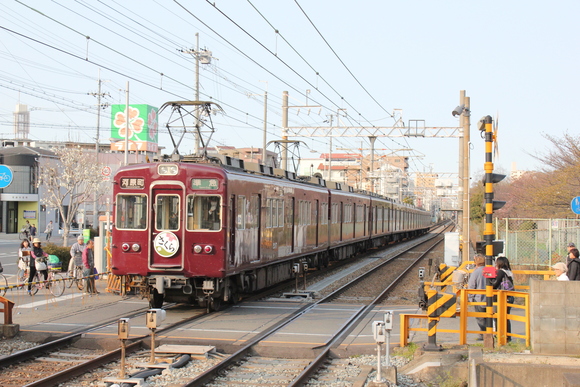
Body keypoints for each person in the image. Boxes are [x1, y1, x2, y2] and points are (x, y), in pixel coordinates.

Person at [492, 256, 515, 342]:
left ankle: (500, 336)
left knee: (498, 317)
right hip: (509, 297)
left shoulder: (500, 272)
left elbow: (494, 284)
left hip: (501, 298)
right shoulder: (509, 272)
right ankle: (507, 336)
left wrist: (489, 278)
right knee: (506, 317)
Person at [467, 253, 486, 340]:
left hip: (479, 298)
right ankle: (491, 333)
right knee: (489, 316)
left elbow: (471, 286)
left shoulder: (476, 272)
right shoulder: (490, 270)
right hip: (490, 298)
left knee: (480, 317)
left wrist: (470, 298)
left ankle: (483, 334)